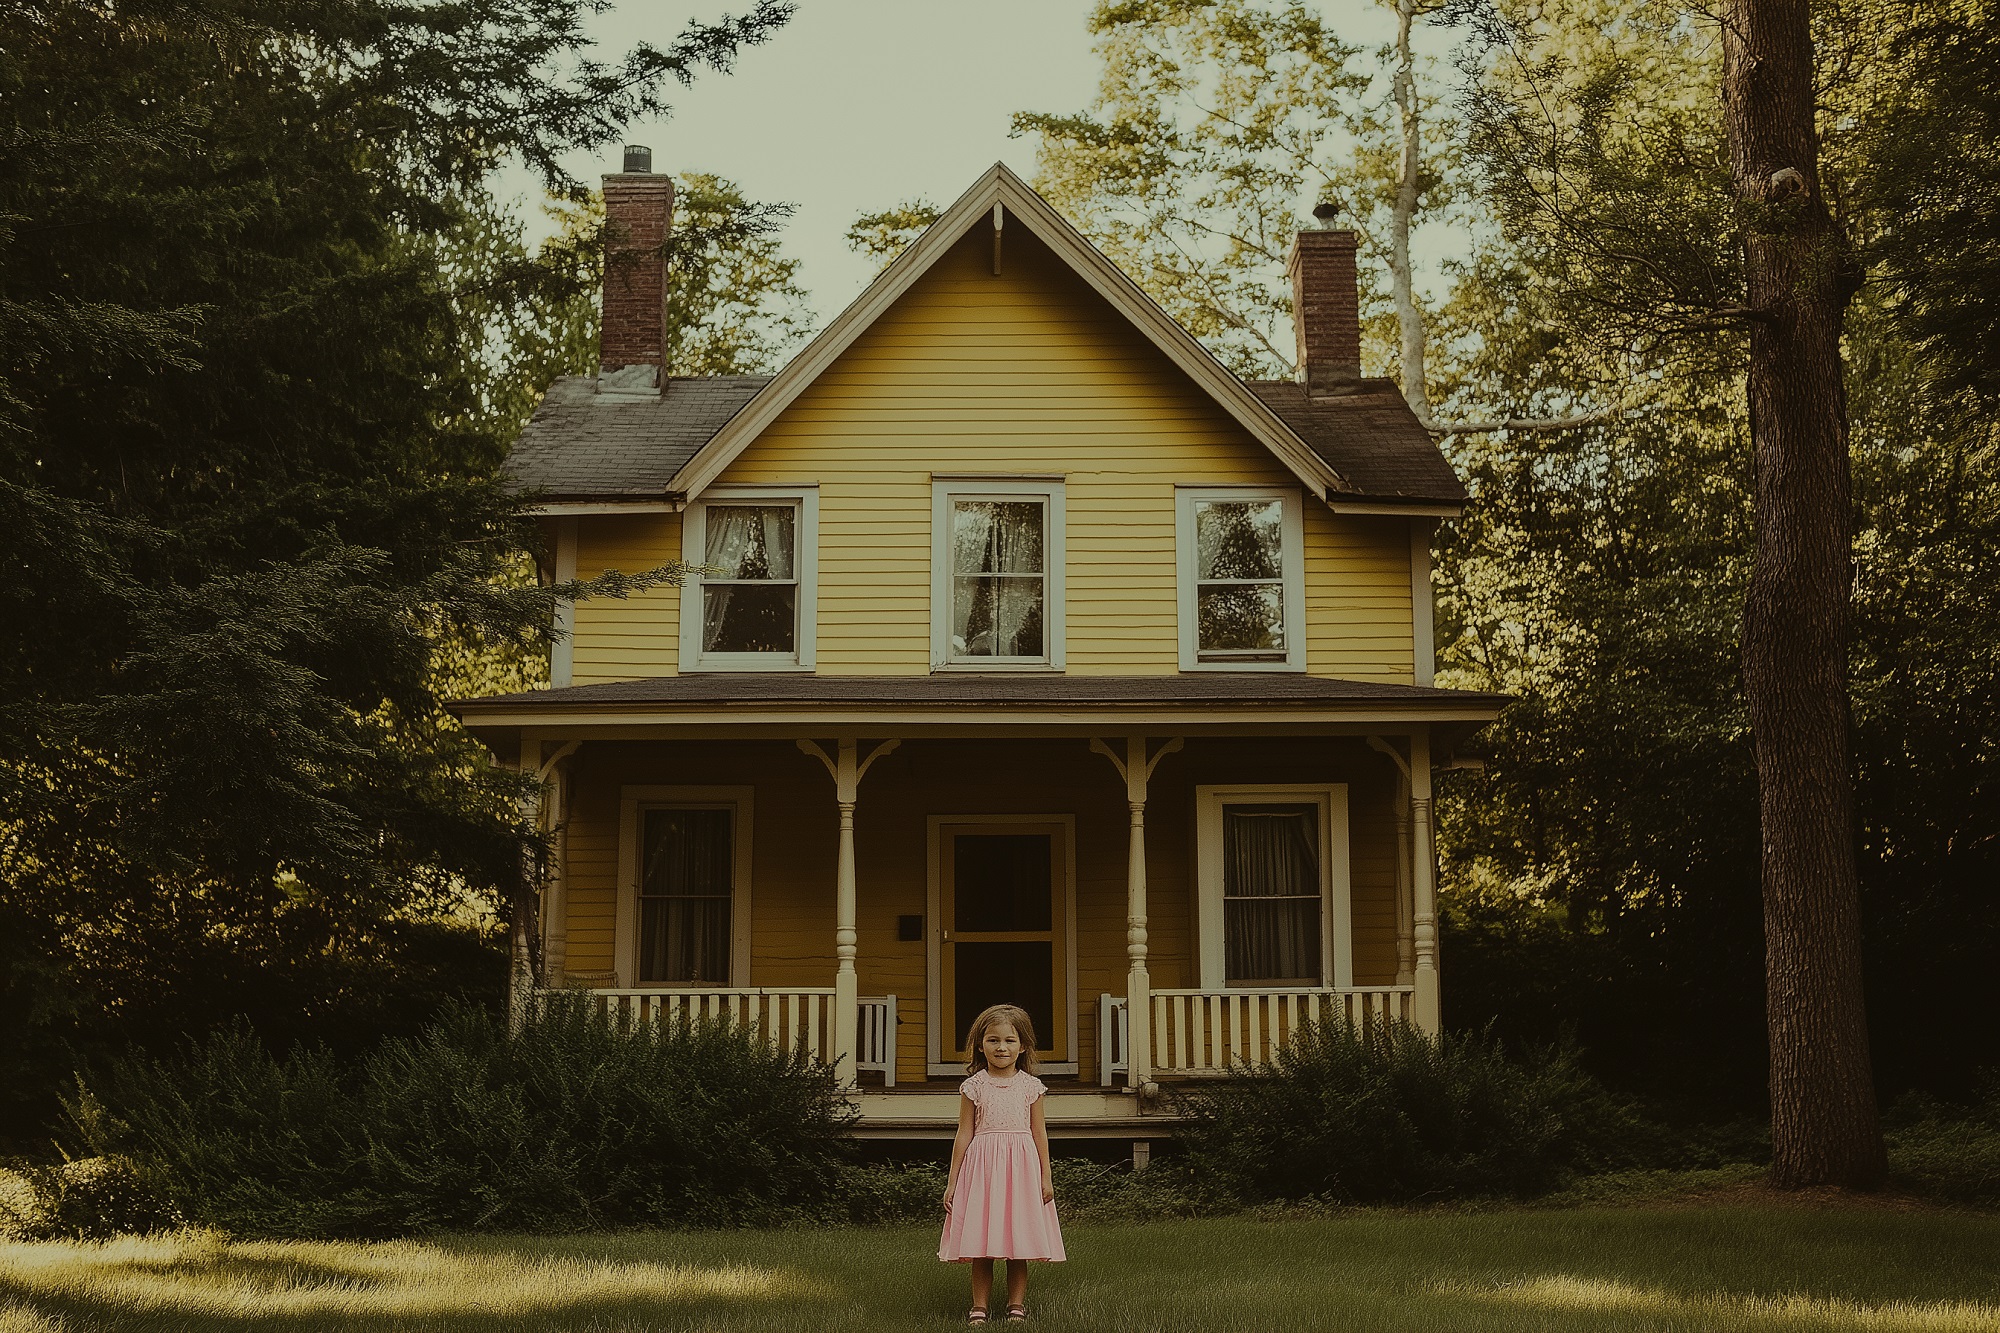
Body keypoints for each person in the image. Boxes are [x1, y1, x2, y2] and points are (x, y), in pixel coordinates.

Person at [938, 1003, 1065, 1323]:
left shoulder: (1031, 1087)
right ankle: (978, 1306)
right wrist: (952, 1181)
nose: (1001, 1047)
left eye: (1009, 1040)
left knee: (1016, 1238)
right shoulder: (974, 1086)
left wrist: (1046, 1176)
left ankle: (1015, 1305)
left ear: (1023, 1046)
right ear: (981, 1045)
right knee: (982, 1240)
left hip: (1021, 1168)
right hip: (982, 1169)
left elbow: (1040, 1133)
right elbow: (964, 1134)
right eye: (993, 1040)